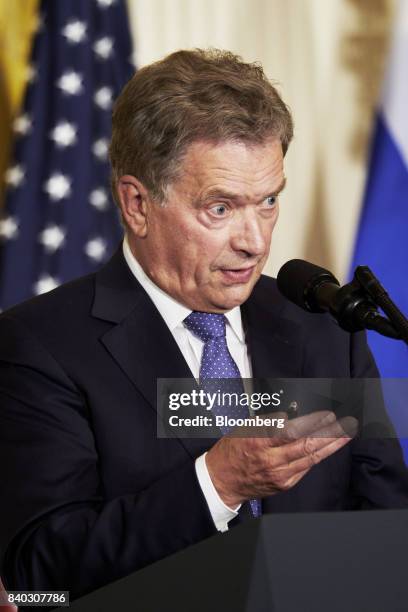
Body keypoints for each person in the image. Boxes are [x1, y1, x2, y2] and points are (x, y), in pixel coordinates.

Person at [0, 48, 407, 604]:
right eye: (221, 208)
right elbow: (38, 575)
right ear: (137, 204)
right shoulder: (40, 347)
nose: (256, 241)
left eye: (268, 201)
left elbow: (386, 522)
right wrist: (217, 483)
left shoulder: (323, 326)